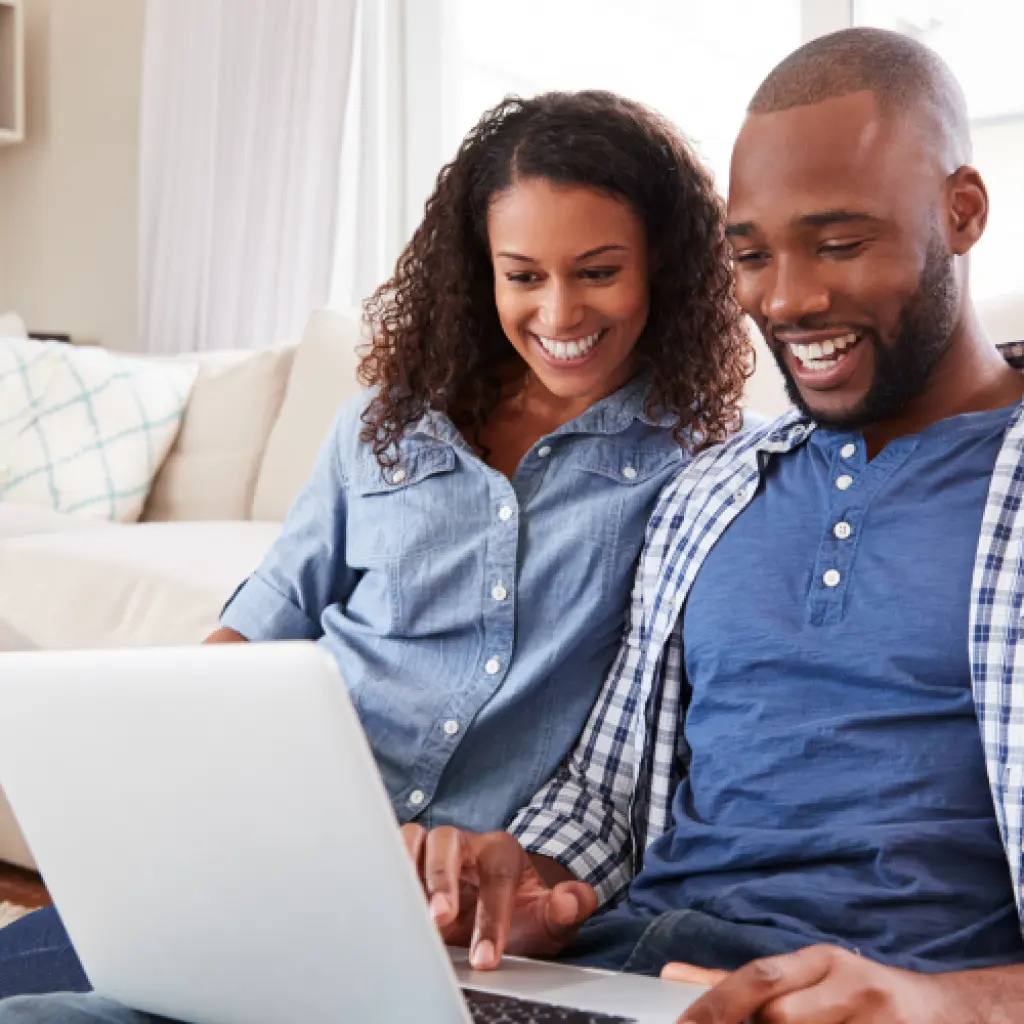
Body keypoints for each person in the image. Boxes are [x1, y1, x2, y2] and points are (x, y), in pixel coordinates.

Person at [0, 90, 750, 1009]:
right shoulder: (385, 426)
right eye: (523, 275)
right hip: (283, 847)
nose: (559, 310)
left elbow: (646, 734)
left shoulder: (700, 468)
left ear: (662, 264)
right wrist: (168, 792)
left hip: (473, 896)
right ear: (480, 273)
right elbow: (269, 613)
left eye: (597, 271)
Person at [395, 26, 1024, 1024]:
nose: (787, 297)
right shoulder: (710, 489)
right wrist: (521, 879)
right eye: (751, 254)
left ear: (961, 211)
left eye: (840, 242)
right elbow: (604, 794)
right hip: (621, 970)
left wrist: (947, 1003)